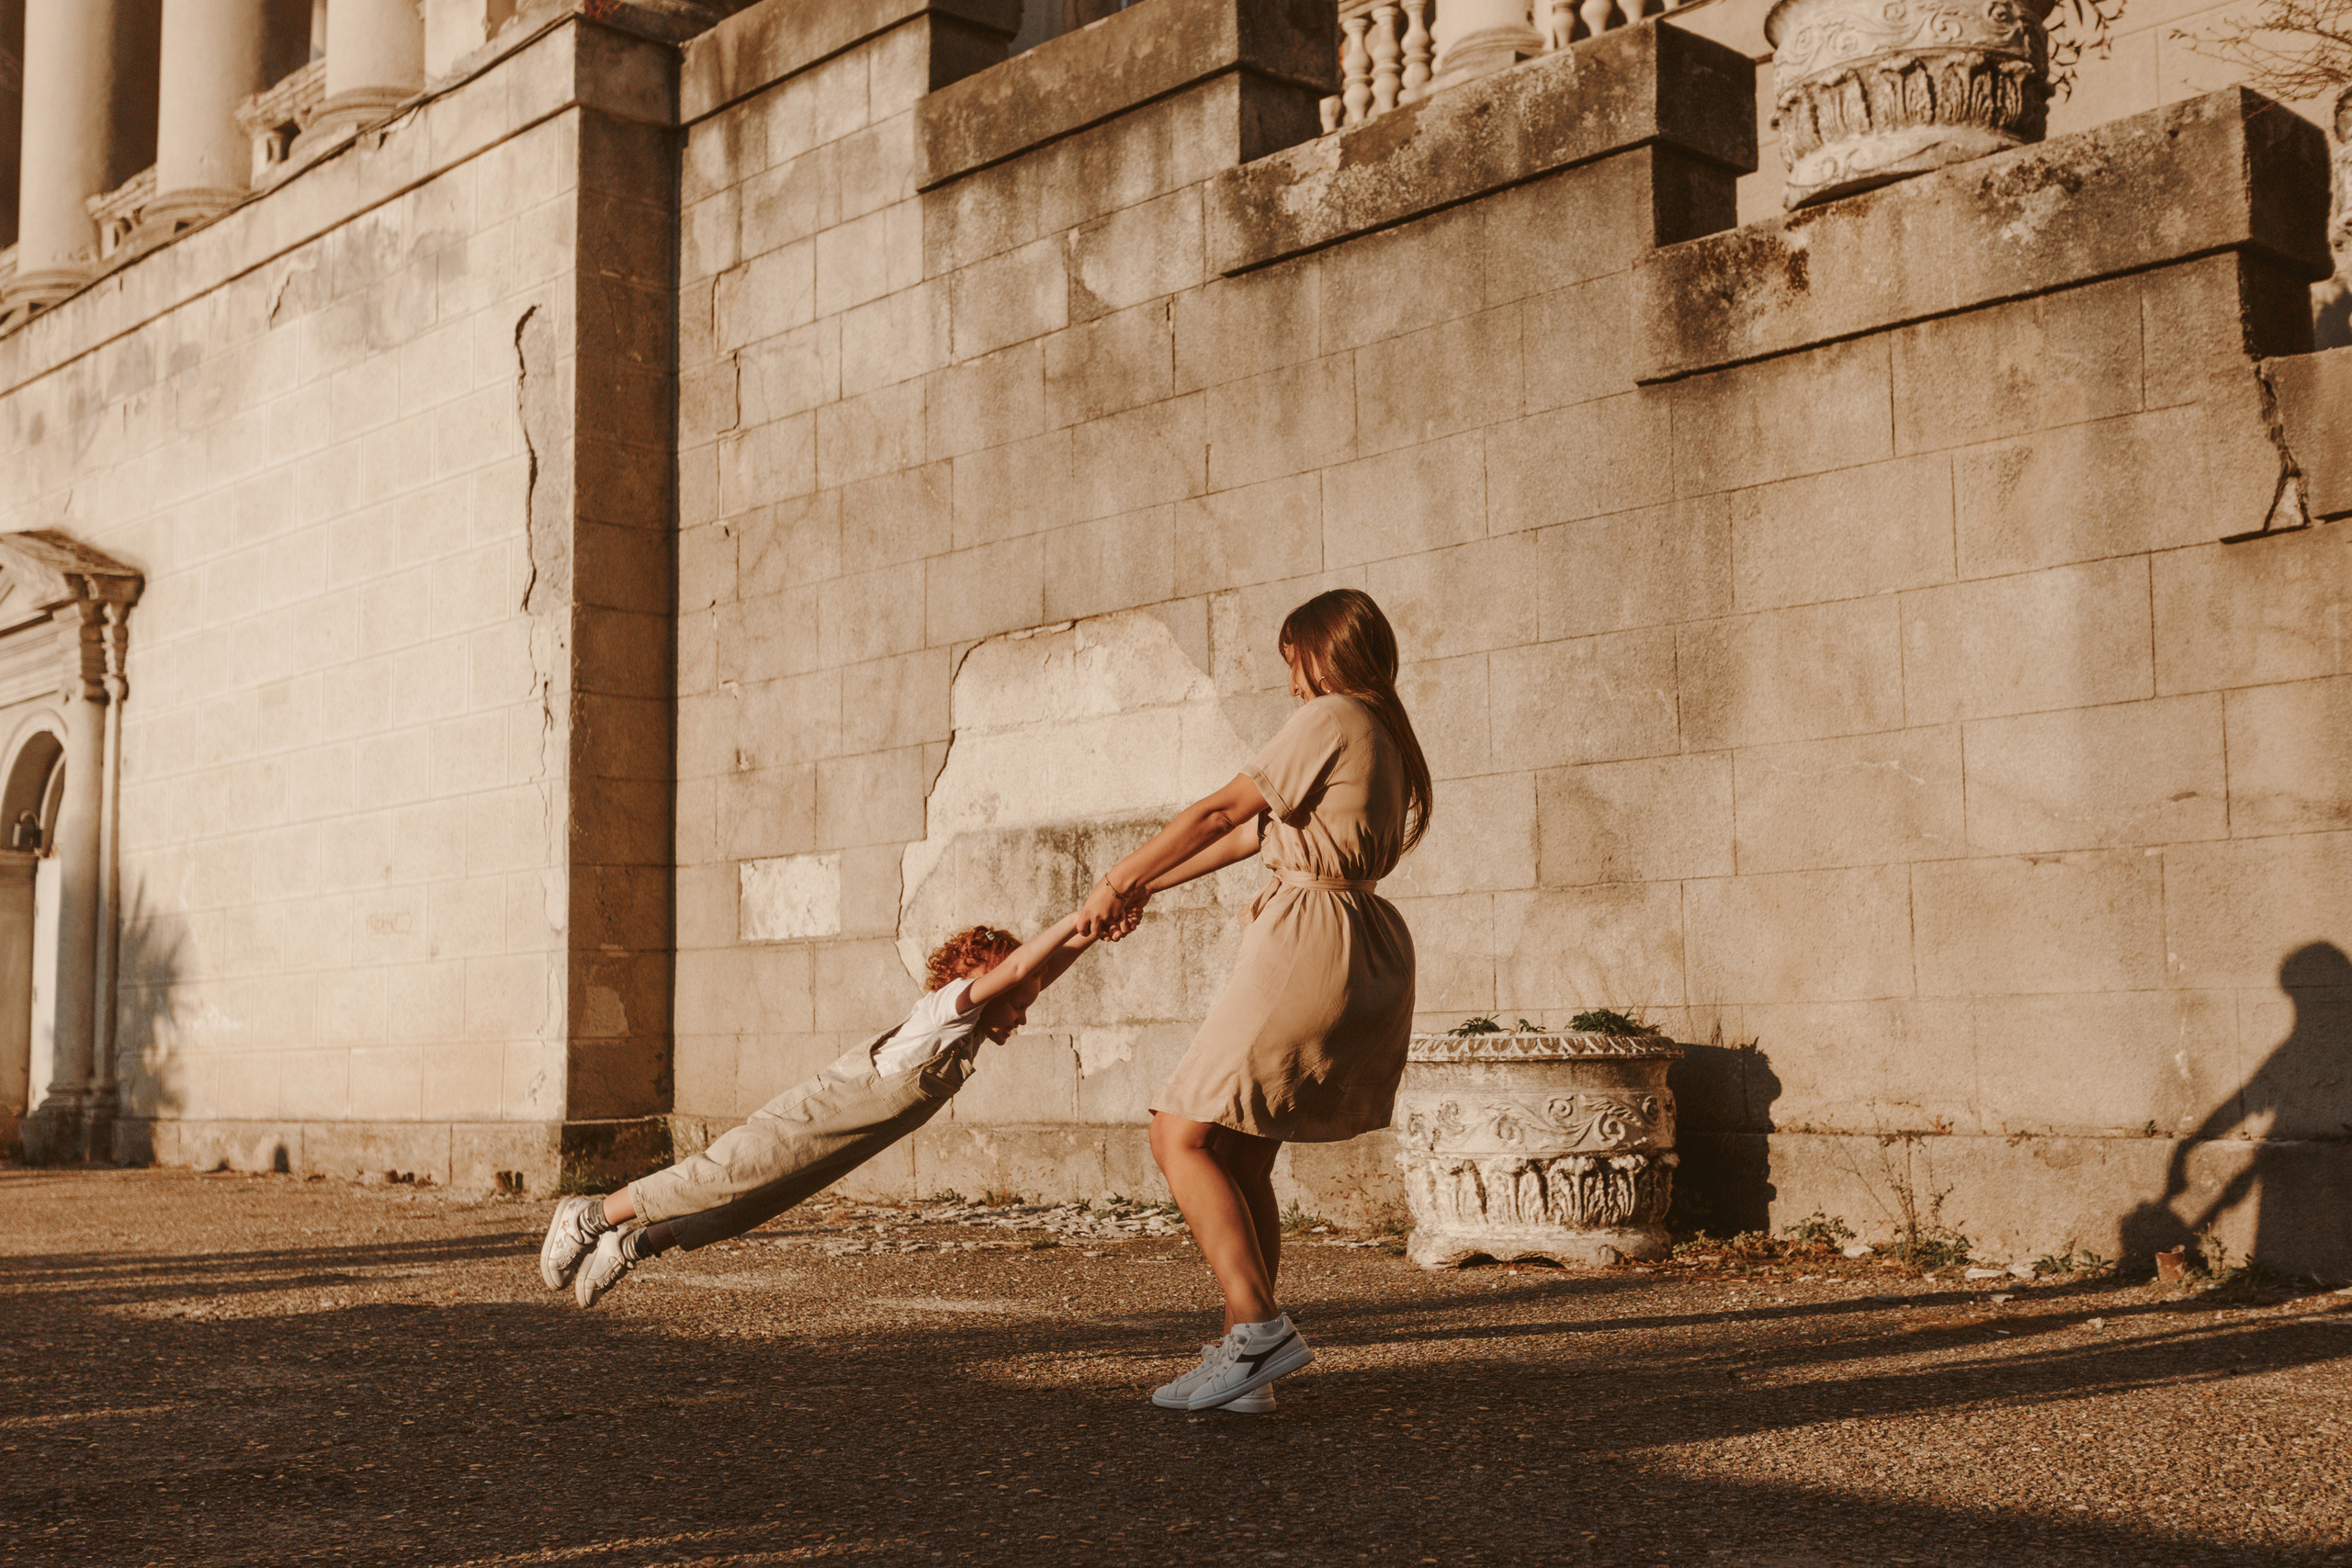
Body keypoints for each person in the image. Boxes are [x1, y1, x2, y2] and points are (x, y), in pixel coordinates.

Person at [1079, 588, 1432, 1413]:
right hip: (1356, 934)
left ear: (1325, 653)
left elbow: (1218, 810)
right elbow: (1252, 837)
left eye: (1293, 665)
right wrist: (1148, 892)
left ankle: (1261, 1329)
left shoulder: (1334, 715)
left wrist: (1118, 876)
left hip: (1309, 935)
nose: (1291, 686)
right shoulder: (1382, 731)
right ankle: (1250, 1362)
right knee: (1241, 1152)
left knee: (1179, 1131)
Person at [537, 914, 1101, 1307]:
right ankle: (589, 1217)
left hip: (849, 1140)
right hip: (823, 1109)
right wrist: (1086, 909)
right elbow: (1018, 970)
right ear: (983, 984)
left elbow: (1036, 972)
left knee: (749, 1206)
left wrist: (1095, 930)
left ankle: (630, 1244)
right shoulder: (946, 1013)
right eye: (1019, 1004)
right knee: (724, 1175)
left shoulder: (974, 1031)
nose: (1024, 1016)